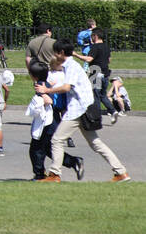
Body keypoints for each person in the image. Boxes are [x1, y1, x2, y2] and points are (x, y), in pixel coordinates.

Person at [37, 39, 130, 182]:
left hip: (79, 109)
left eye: (56, 52)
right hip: (83, 108)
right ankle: (121, 172)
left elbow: (67, 87)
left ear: (61, 53)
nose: (54, 55)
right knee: (96, 143)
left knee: (57, 139)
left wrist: (47, 90)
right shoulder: (69, 66)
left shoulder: (71, 66)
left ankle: (55, 174)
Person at [27, 61, 84, 182]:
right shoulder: (46, 83)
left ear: (33, 75)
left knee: (36, 149)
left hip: (47, 122)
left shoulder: (40, 86)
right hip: (54, 121)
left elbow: (48, 100)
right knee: (48, 149)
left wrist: (44, 96)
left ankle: (39, 175)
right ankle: (73, 161)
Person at [77, 27, 118, 124]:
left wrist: (76, 55)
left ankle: (96, 117)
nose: (91, 38)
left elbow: (89, 59)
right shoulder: (106, 46)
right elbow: (109, 60)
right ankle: (113, 111)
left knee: (95, 96)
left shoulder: (95, 47)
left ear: (95, 36)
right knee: (102, 95)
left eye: (92, 36)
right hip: (105, 73)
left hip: (95, 73)